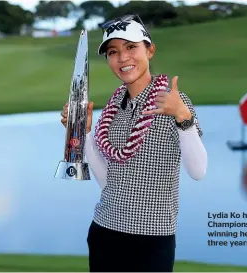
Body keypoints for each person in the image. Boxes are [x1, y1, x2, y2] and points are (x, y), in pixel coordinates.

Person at [60, 14, 208, 272]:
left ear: (149, 50)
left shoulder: (174, 101)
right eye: (113, 52)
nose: (122, 57)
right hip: (105, 230)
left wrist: (183, 117)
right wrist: (83, 133)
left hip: (153, 238)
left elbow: (198, 171)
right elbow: (110, 182)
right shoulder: (112, 108)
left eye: (131, 47)